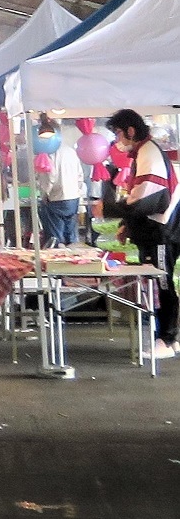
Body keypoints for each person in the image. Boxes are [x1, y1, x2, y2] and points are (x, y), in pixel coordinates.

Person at [104, 109, 177, 357]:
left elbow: (146, 200)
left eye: (117, 133)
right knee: (160, 282)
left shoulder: (149, 154)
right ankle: (169, 337)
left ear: (130, 131)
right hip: (158, 229)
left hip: (161, 231)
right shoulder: (144, 153)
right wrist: (127, 224)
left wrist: (107, 208)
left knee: (161, 281)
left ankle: (166, 339)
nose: (117, 140)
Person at [36, 120, 85, 247]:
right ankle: (73, 260)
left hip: (57, 198)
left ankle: (58, 261)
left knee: (56, 239)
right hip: (73, 197)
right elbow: (80, 175)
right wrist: (78, 191)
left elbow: (50, 177)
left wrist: (44, 194)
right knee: (71, 236)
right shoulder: (70, 151)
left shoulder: (50, 153)